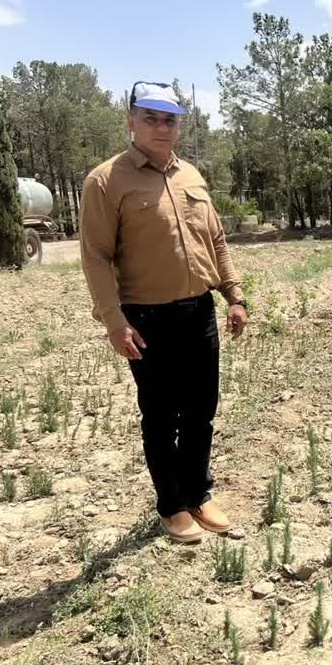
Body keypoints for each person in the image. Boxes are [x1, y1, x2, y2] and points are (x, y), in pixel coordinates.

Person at [79, 81, 249, 544]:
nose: (161, 126)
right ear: (131, 120)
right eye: (150, 116)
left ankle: (198, 493)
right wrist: (114, 321)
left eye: (169, 118)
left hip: (198, 313)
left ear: (179, 125)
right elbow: (95, 256)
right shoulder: (105, 181)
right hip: (146, 320)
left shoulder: (191, 176)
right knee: (160, 416)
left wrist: (234, 296)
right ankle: (171, 506)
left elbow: (215, 242)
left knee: (201, 411)